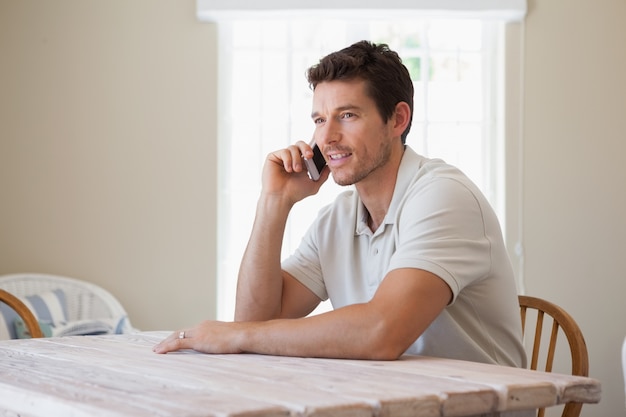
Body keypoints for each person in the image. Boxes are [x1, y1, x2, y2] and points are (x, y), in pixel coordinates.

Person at [154, 40, 527, 368]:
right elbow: (256, 319)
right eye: (319, 119)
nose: (327, 137)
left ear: (397, 119)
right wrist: (275, 201)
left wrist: (236, 336)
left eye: (347, 115)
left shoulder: (444, 197)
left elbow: (382, 332)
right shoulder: (338, 218)